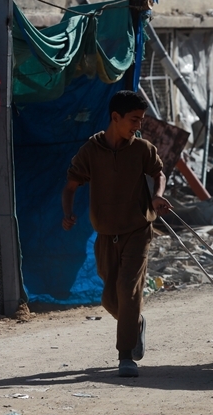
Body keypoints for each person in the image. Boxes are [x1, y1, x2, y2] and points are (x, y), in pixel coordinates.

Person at [62, 90, 172, 378]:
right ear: (115, 117)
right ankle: (134, 324)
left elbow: (158, 172)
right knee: (110, 300)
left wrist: (158, 196)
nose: (139, 126)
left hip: (138, 230)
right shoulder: (91, 150)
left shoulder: (142, 149)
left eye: (141, 120)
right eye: (134, 120)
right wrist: (68, 213)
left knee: (127, 289)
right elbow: (71, 184)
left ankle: (125, 356)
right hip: (106, 235)